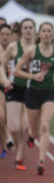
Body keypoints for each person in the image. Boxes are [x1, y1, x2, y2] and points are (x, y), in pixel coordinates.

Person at [14, 22, 54, 175]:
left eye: (49, 31)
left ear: (52, 34)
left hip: (49, 92)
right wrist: (33, 76)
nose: (46, 33)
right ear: (39, 34)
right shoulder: (31, 51)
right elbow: (16, 71)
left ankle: (41, 162)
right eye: (44, 31)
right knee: (33, 130)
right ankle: (32, 137)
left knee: (45, 125)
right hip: (32, 92)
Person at [0, 18, 36, 170]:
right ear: (21, 31)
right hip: (14, 87)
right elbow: (1, 66)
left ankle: (20, 155)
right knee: (14, 127)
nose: (28, 30)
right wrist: (6, 80)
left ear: (34, 30)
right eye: (25, 27)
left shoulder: (38, 48)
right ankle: (17, 145)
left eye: (30, 27)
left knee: (26, 126)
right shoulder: (13, 47)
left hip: (32, 89)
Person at [0, 24, 13, 158]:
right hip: (1, 87)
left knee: (11, 120)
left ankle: (9, 139)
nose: (4, 37)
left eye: (7, 34)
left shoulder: (14, 50)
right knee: (1, 117)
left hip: (14, 88)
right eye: (2, 34)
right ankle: (5, 144)